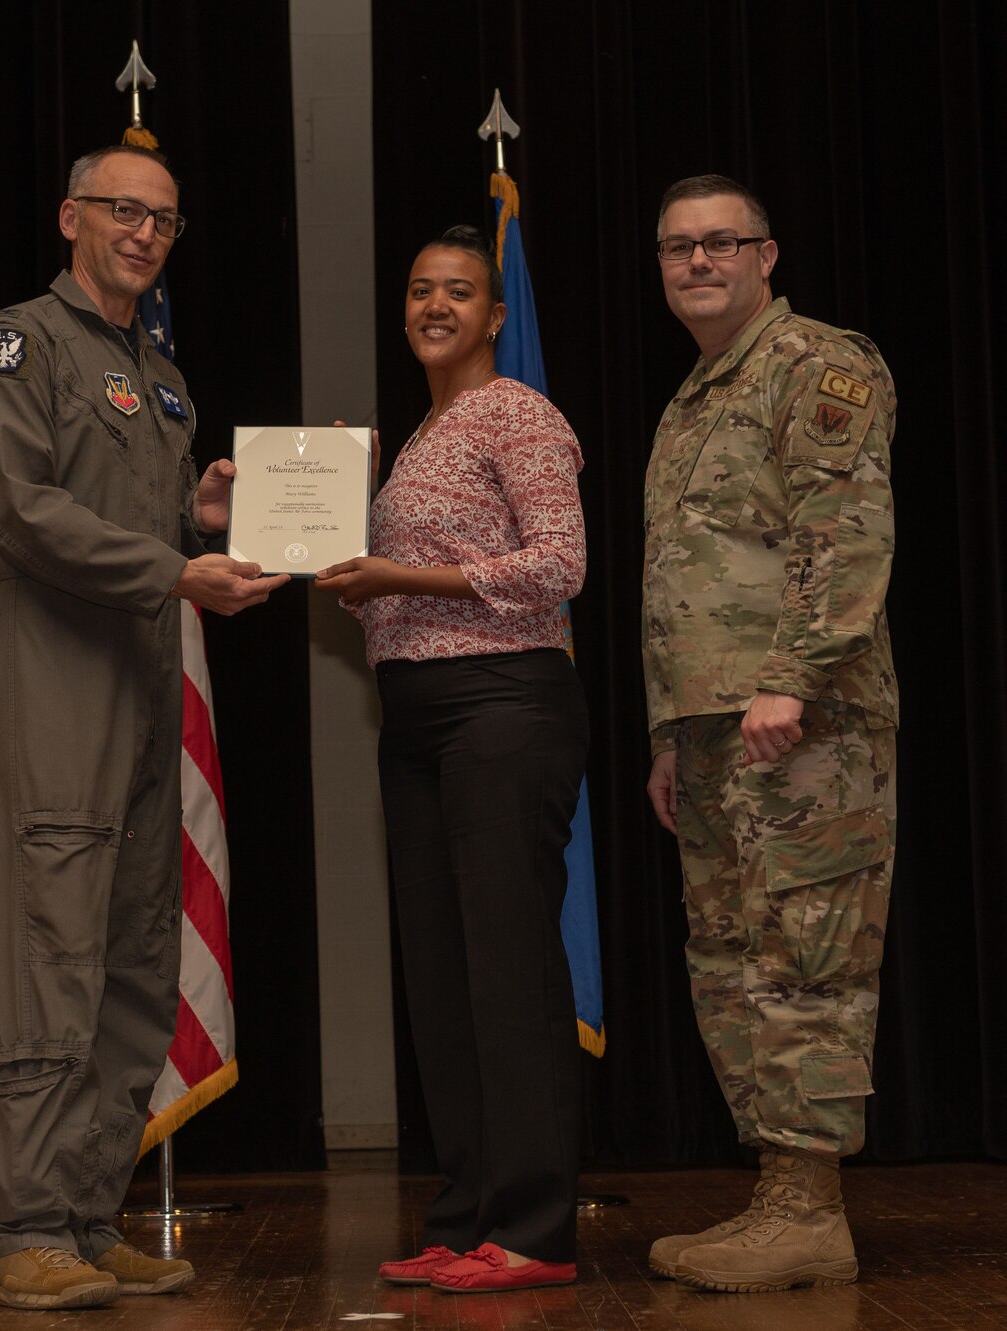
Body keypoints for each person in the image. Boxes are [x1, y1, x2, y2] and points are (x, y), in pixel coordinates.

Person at [0, 143, 286, 1311]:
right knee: (45, 954)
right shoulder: (14, 346)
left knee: (136, 957)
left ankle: (86, 1218)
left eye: (164, 221)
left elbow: (144, 515)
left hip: (141, 679)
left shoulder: (160, 374)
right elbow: (22, 509)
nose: (143, 234)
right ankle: (18, 1230)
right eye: (122, 212)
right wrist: (174, 563)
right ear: (70, 217)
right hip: (46, 673)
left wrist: (205, 512)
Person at [639, 174, 899, 1294]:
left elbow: (840, 532)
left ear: (765, 256)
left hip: (802, 720)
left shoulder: (816, 364)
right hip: (709, 729)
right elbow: (682, 583)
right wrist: (666, 732)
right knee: (730, 956)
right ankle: (776, 1195)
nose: (696, 263)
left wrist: (789, 679)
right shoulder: (695, 395)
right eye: (676, 248)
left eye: (719, 244)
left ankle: (807, 1207)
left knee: (804, 948)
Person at [316, 225, 588, 1295]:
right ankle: (466, 1209)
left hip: (504, 705)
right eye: (420, 289)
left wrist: (402, 578)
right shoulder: (416, 434)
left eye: (458, 291)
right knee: (440, 973)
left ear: (494, 313)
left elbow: (560, 562)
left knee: (508, 970)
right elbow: (394, 576)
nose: (435, 304)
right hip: (417, 717)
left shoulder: (516, 411)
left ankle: (533, 1229)